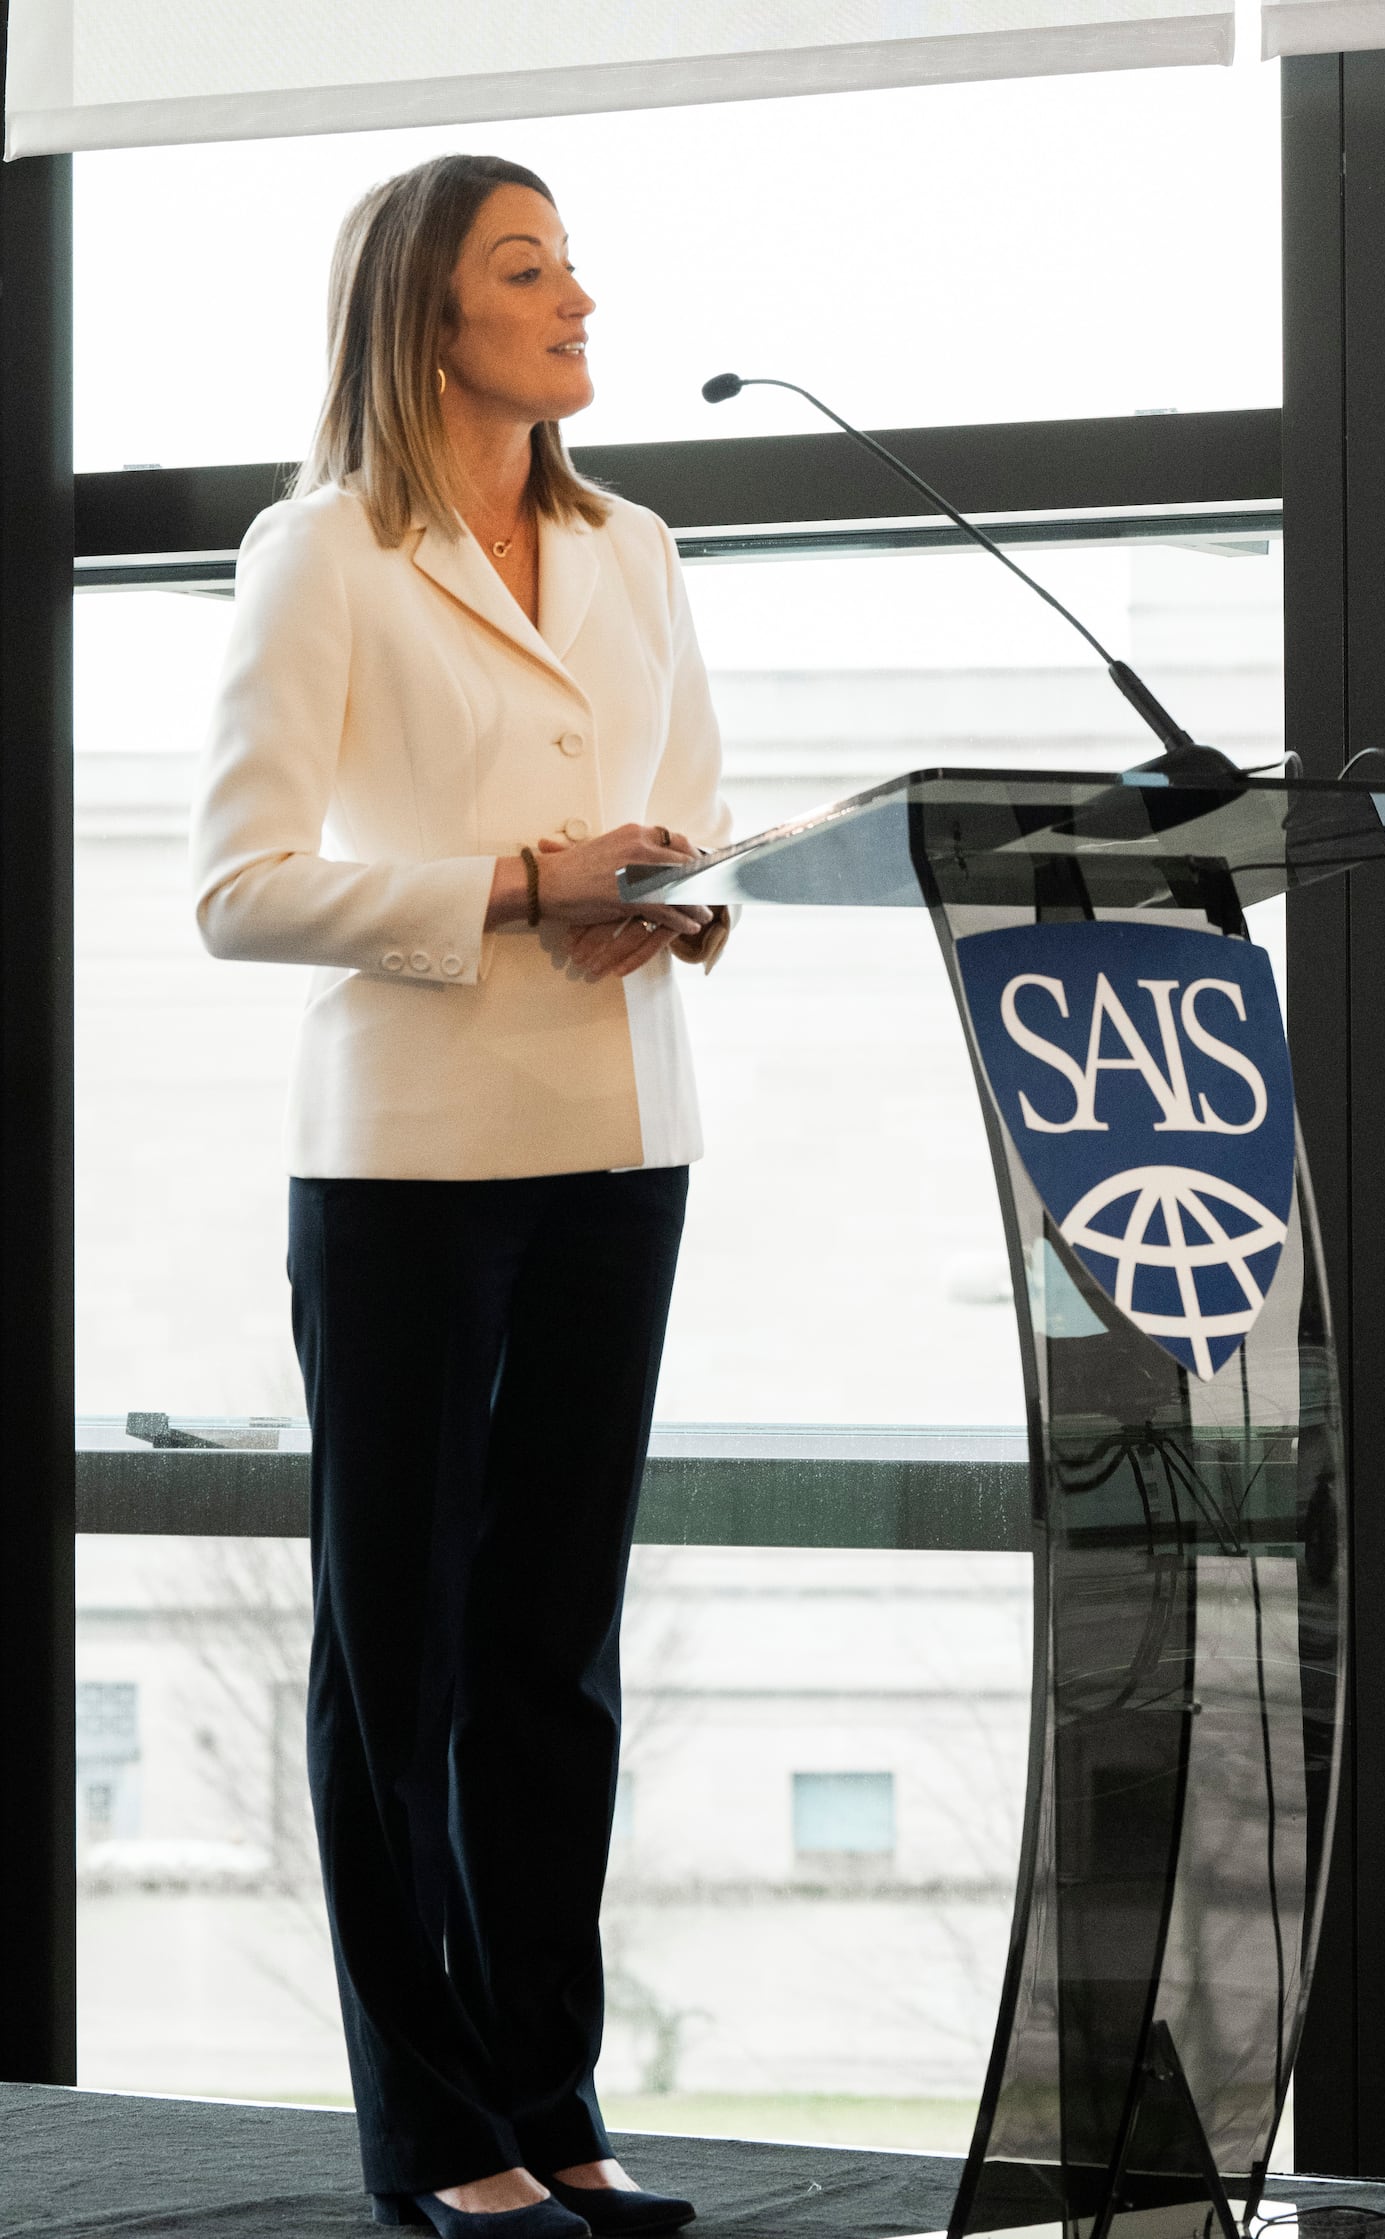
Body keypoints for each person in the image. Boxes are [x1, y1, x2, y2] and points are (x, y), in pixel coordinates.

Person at [190, 153, 733, 2239]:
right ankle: (433, 2127)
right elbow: (242, 890)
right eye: (527, 267)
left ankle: (550, 2092)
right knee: (393, 1648)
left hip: (618, 1130)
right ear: (430, 315)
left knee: (554, 1650)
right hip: (411, 1154)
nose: (575, 294)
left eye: (574, 258)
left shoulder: (635, 545)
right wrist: (517, 885)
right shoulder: (319, 551)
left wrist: (671, 909)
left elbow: (677, 822)